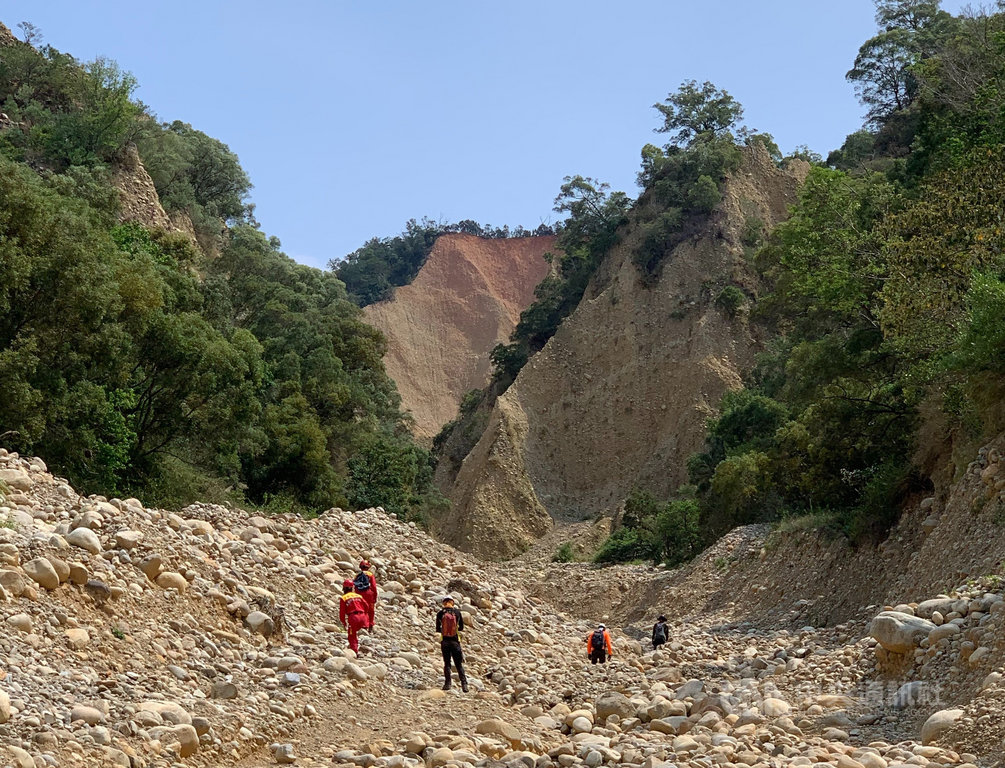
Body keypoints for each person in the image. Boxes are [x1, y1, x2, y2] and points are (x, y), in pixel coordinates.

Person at [436, 595, 468, 692]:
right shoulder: (457, 612)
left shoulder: (440, 613)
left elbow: (438, 629)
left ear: (444, 603)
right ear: (452, 602)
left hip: (445, 642)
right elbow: (461, 627)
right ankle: (464, 685)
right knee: (458, 664)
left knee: (447, 663)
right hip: (455, 642)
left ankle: (447, 684)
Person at [339, 578, 369, 654]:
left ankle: (354, 651)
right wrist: (365, 616)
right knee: (358, 632)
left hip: (353, 617)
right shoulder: (359, 596)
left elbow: (342, 612)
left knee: (352, 634)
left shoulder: (344, 598)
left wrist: (343, 622)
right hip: (362, 617)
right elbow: (367, 606)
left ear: (344, 588)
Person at [355, 560, 378, 629]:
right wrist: (375, 596)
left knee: (361, 609)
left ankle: (362, 624)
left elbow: (355, 585)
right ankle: (370, 624)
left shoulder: (357, 575)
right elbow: (373, 586)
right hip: (369, 594)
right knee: (370, 610)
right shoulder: (370, 575)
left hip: (359, 593)